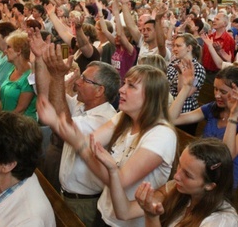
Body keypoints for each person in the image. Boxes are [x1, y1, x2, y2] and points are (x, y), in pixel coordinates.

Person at [39, 65, 177, 227]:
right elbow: (89, 143)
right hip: (105, 212)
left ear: (151, 96)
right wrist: (55, 121)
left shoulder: (161, 135)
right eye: (124, 83)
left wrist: (78, 143)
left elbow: (120, 181)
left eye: (131, 86)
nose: (121, 90)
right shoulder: (123, 118)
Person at [33, 32, 120, 226]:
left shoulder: (103, 118)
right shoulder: (83, 106)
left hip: (83, 202)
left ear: (100, 90)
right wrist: (39, 59)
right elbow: (47, 96)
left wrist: (58, 75)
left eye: (84, 80)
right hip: (67, 193)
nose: (77, 82)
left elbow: (63, 122)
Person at [93, 137, 238, 226]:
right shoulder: (176, 189)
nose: (176, 176)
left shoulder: (223, 220)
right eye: (179, 165)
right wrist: (113, 171)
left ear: (210, 186)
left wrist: (151, 216)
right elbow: (124, 212)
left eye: (187, 175)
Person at [169, 63, 238, 189]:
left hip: (221, 183)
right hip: (198, 175)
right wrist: (186, 87)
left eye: (223, 91)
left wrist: (233, 115)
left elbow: (227, 155)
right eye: (215, 89)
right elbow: (173, 119)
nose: (217, 95)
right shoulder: (212, 108)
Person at [168, 33, 206, 135]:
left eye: (178, 46)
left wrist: (180, 74)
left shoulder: (198, 69)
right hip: (168, 109)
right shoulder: (173, 64)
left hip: (184, 114)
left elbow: (183, 94)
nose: (174, 49)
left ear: (189, 48)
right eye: (174, 46)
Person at [0, 30, 37, 120]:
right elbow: (3, 101)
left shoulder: (30, 75)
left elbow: (20, 109)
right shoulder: (12, 70)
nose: (5, 51)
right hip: (7, 121)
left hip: (22, 127)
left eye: (8, 47)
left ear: (19, 51)